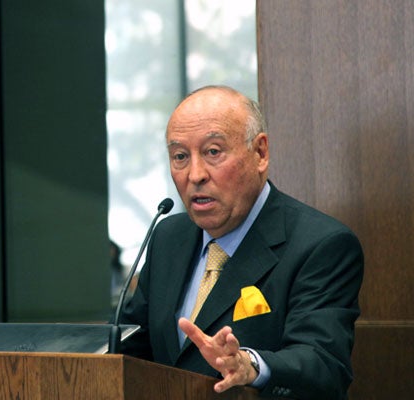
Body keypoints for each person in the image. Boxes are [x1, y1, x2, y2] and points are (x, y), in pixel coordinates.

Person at [118, 85, 364, 400]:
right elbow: (130, 345)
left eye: (213, 152)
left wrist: (251, 366)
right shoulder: (168, 236)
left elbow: (323, 364)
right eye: (180, 156)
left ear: (260, 153)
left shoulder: (321, 245)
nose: (195, 175)